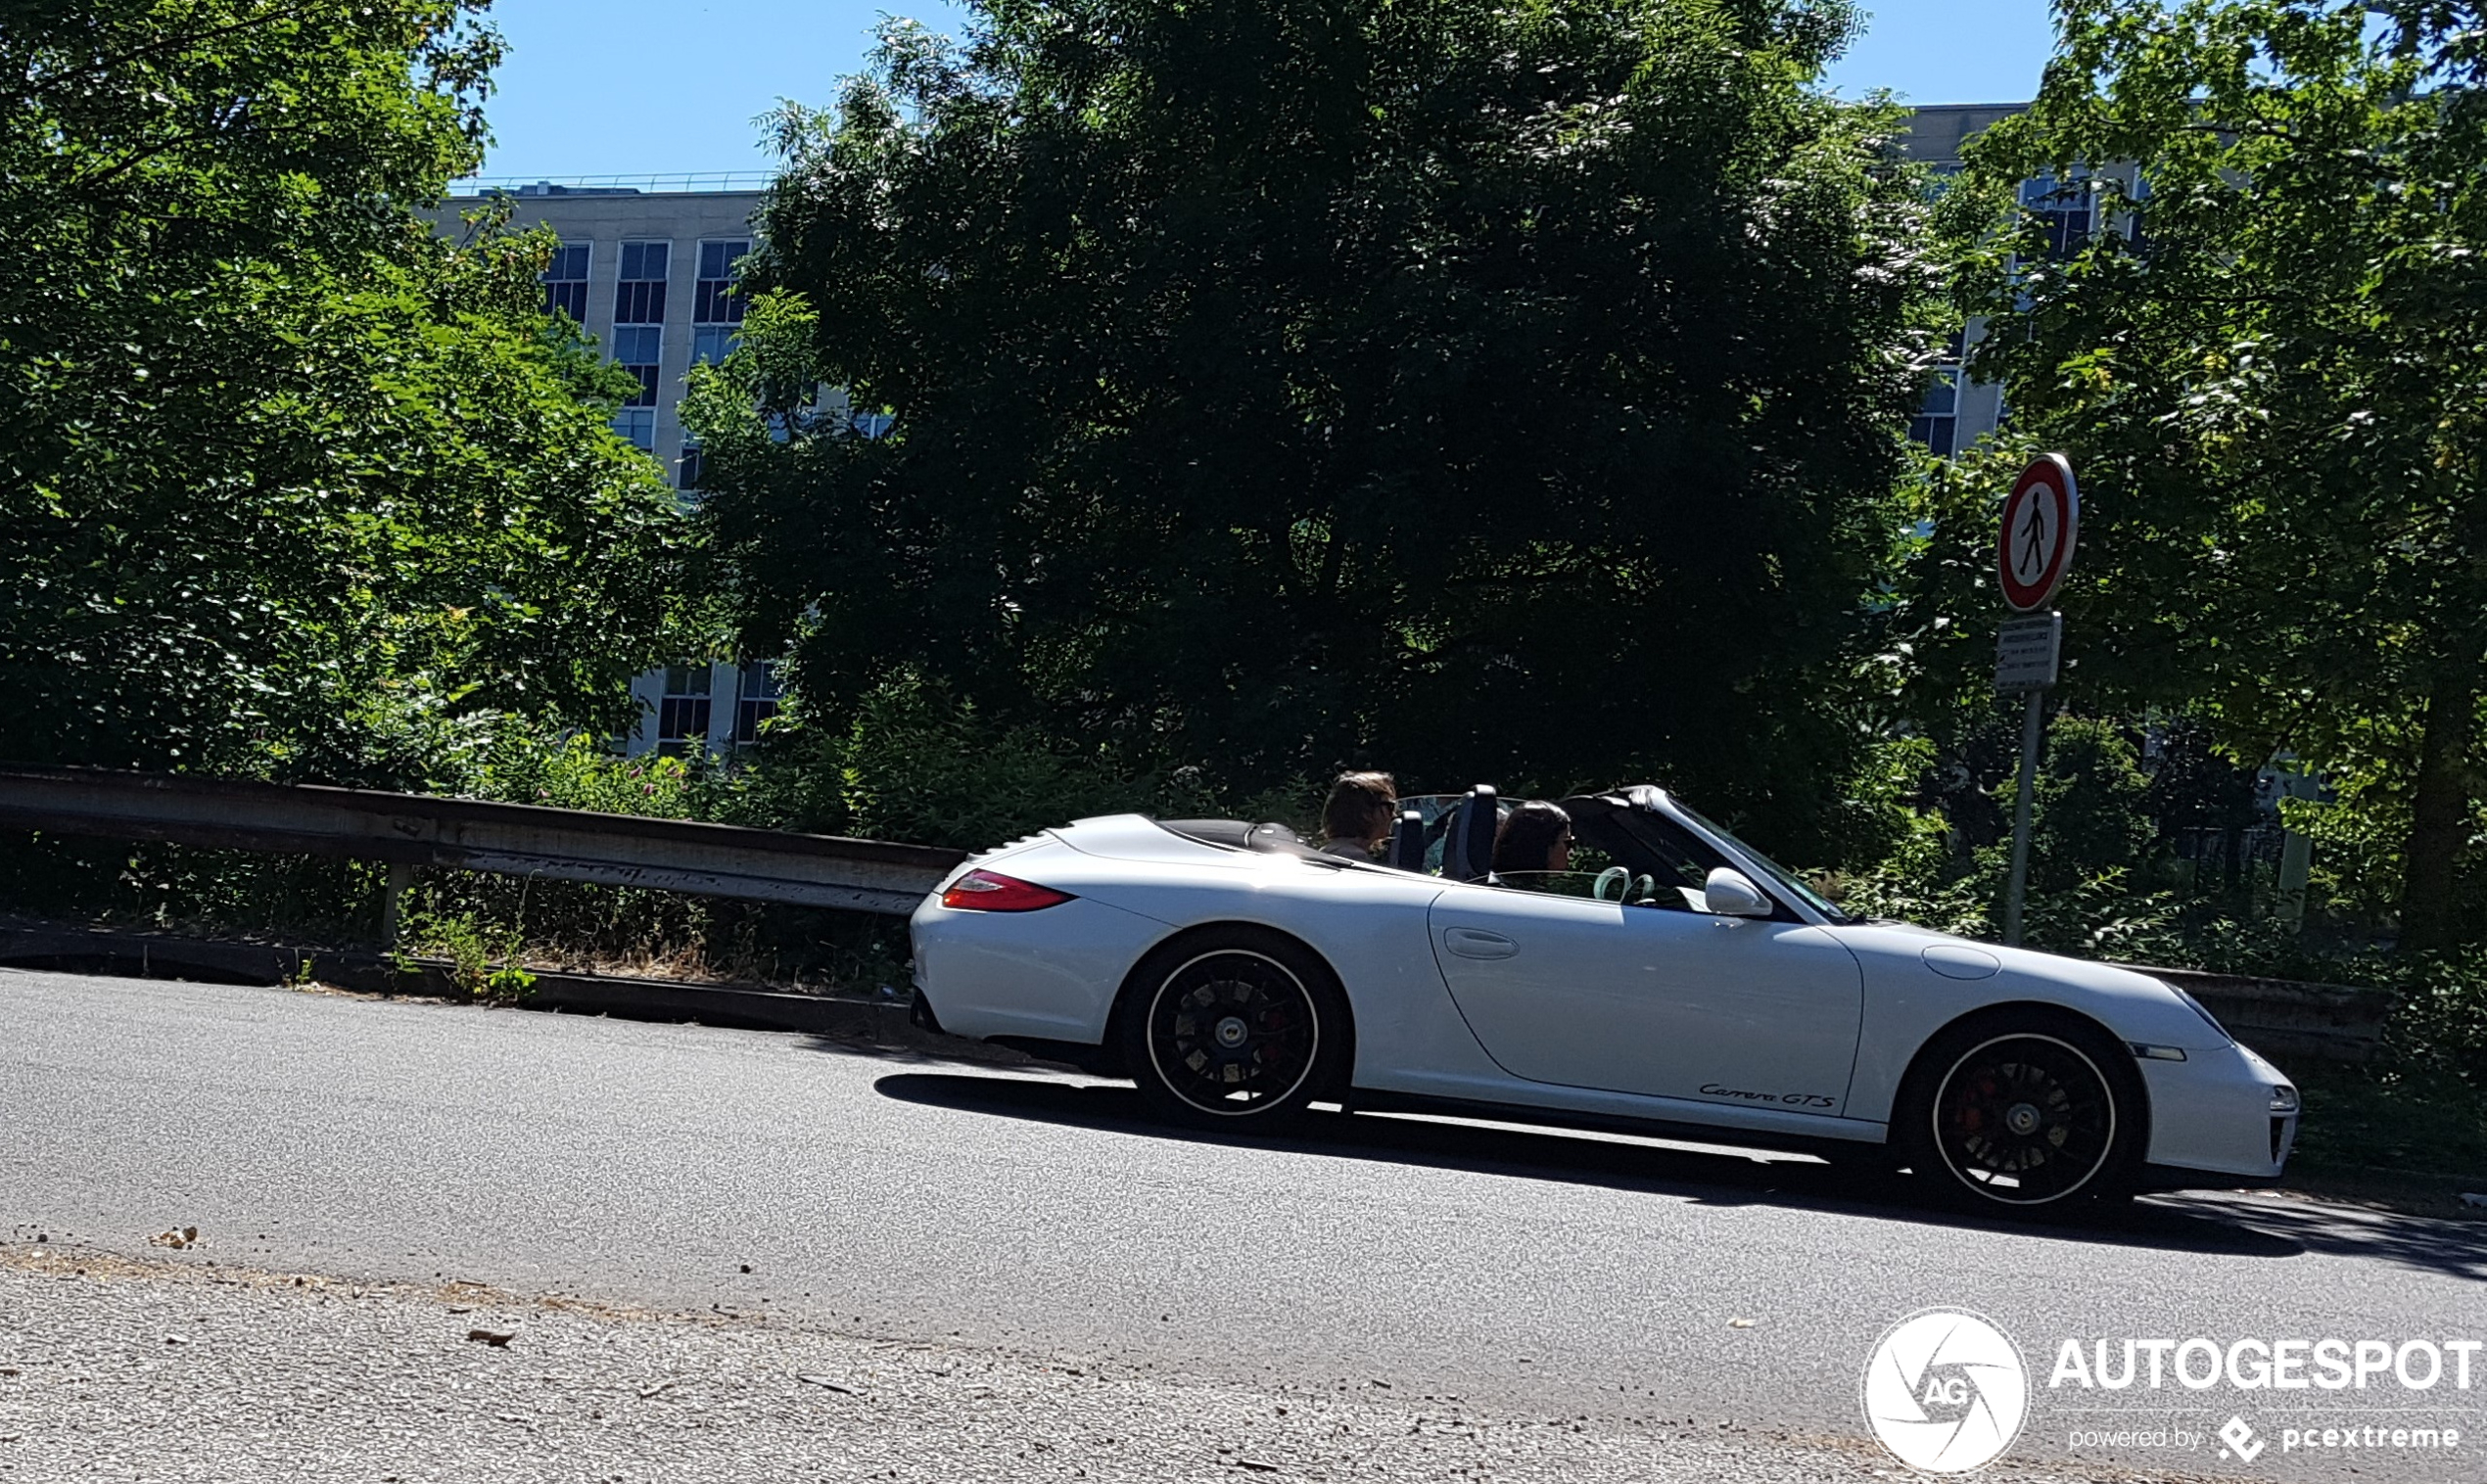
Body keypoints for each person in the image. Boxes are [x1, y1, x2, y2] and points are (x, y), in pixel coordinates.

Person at [1318, 770, 1397, 859]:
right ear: (1365, 812)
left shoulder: (1327, 851)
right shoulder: (1354, 856)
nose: (1394, 815)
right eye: (1390, 807)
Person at [1492, 799, 1572, 877]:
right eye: (1568, 842)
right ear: (1541, 846)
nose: (1572, 852)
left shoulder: (1497, 881)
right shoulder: (1518, 888)